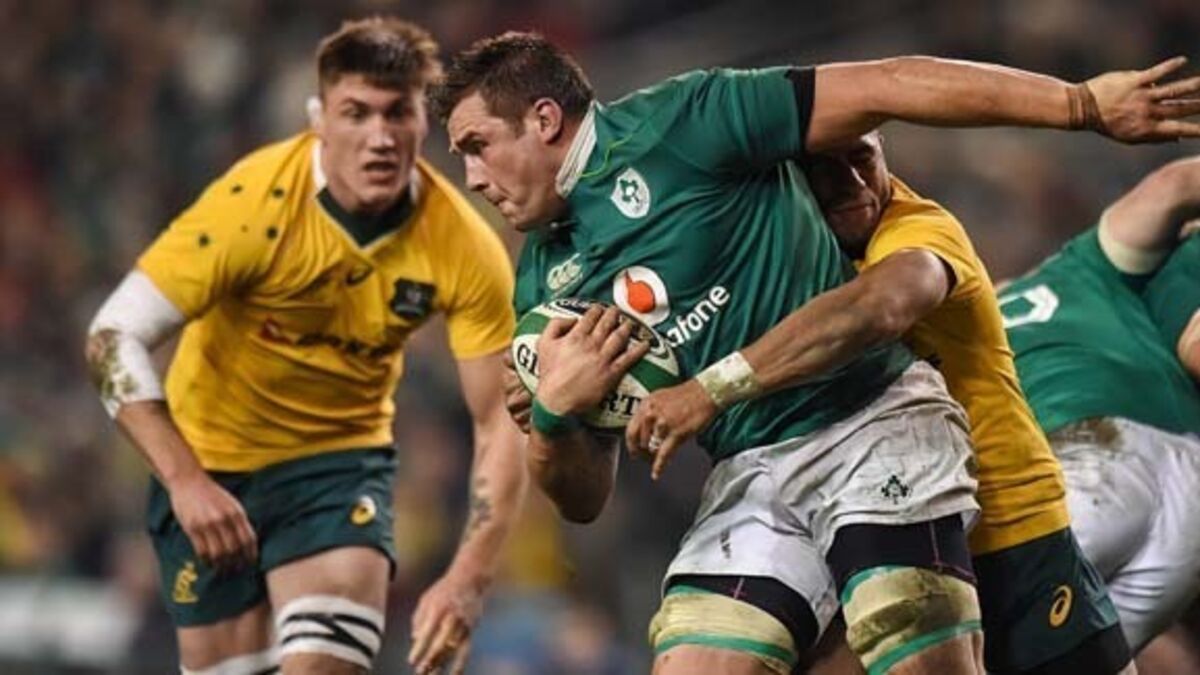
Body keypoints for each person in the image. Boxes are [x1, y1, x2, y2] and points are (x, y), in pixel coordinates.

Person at [433, 31, 1200, 675]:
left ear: (543, 119)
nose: (472, 178)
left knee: (907, 625)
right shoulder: (546, 283)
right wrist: (557, 415)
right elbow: (582, 499)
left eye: (477, 146)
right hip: (753, 470)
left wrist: (1080, 105)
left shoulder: (688, 122)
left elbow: (890, 85)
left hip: (871, 424)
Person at [84, 18, 526, 675]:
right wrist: (184, 479)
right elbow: (111, 336)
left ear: (422, 122)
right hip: (210, 467)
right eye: (356, 113)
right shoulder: (251, 205)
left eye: (397, 113)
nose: (379, 136)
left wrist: (470, 575)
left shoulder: (463, 245)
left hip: (338, 469)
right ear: (319, 119)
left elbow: (501, 419)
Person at [713, 131, 1129, 674]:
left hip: (1011, 535)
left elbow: (886, 304)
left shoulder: (917, 229)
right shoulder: (787, 267)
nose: (853, 182)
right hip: (883, 542)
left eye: (863, 159)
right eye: (825, 169)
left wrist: (714, 388)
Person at [999, 156, 1200, 657]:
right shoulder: (1085, 265)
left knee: (964, 642)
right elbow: (1174, 182)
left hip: (1083, 456)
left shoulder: (944, 343)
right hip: (1188, 481)